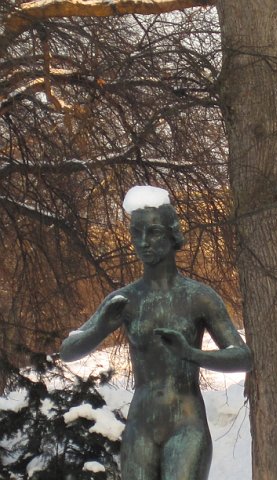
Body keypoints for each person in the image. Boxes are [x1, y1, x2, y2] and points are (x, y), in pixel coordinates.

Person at [60, 186, 252, 480]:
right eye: (136, 233)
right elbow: (68, 351)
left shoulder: (198, 297)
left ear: (172, 234)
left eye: (154, 232)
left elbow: (242, 357)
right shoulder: (126, 299)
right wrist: (100, 328)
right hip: (141, 426)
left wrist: (191, 354)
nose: (143, 242)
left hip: (186, 423)